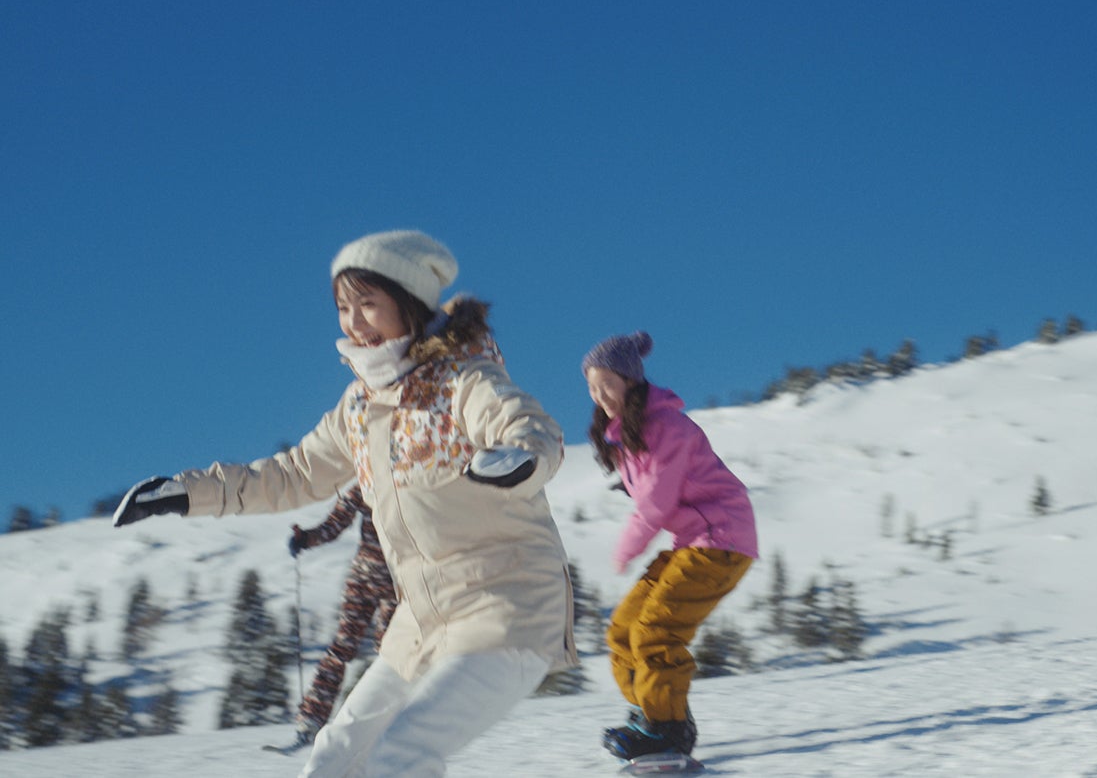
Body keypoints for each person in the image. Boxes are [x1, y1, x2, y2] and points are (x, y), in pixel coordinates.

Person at [112, 229, 576, 777]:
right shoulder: (359, 406)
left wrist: (521, 455)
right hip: (421, 623)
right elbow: (294, 473)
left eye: (368, 304)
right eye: (342, 307)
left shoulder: (463, 378)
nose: (354, 321)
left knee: (401, 757)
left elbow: (523, 422)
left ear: (409, 302)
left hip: (508, 607)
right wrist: (190, 492)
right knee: (335, 756)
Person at [582, 331, 758, 762]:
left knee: (657, 632)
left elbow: (656, 503)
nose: (600, 394)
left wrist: (625, 549)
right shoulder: (629, 436)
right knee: (623, 630)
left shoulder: (667, 427)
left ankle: (669, 730)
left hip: (722, 538)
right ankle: (652, 715)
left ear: (630, 380)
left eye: (607, 383)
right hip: (692, 542)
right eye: (591, 386)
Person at [287, 486, 399, 749]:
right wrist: (306, 538)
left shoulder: (409, 484)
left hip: (396, 584)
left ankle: (386, 721)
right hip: (366, 581)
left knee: (391, 655)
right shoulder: (367, 485)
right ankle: (310, 721)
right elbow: (335, 523)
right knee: (343, 647)